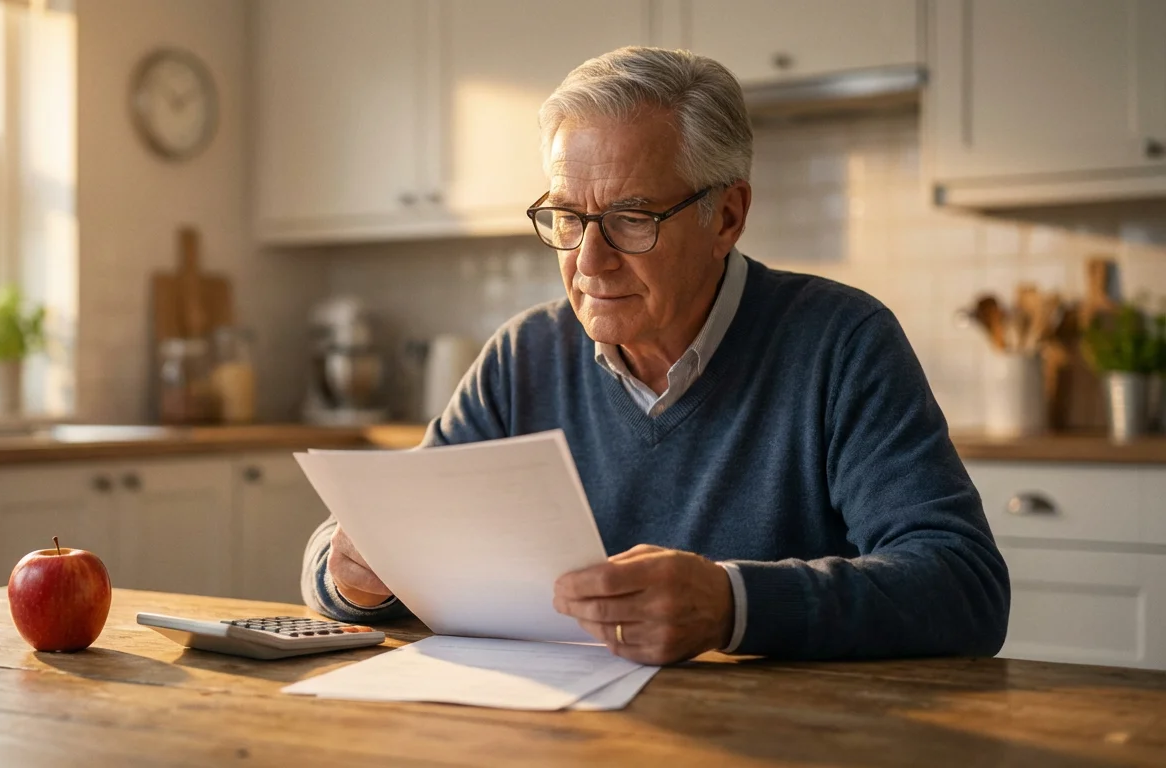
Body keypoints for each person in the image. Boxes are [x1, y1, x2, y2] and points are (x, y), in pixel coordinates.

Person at [301, 46, 1009, 665]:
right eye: (568, 218)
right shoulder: (524, 356)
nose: (589, 261)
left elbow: (964, 586)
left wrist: (733, 604)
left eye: (632, 219)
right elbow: (371, 542)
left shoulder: (842, 342)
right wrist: (349, 575)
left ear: (726, 217)